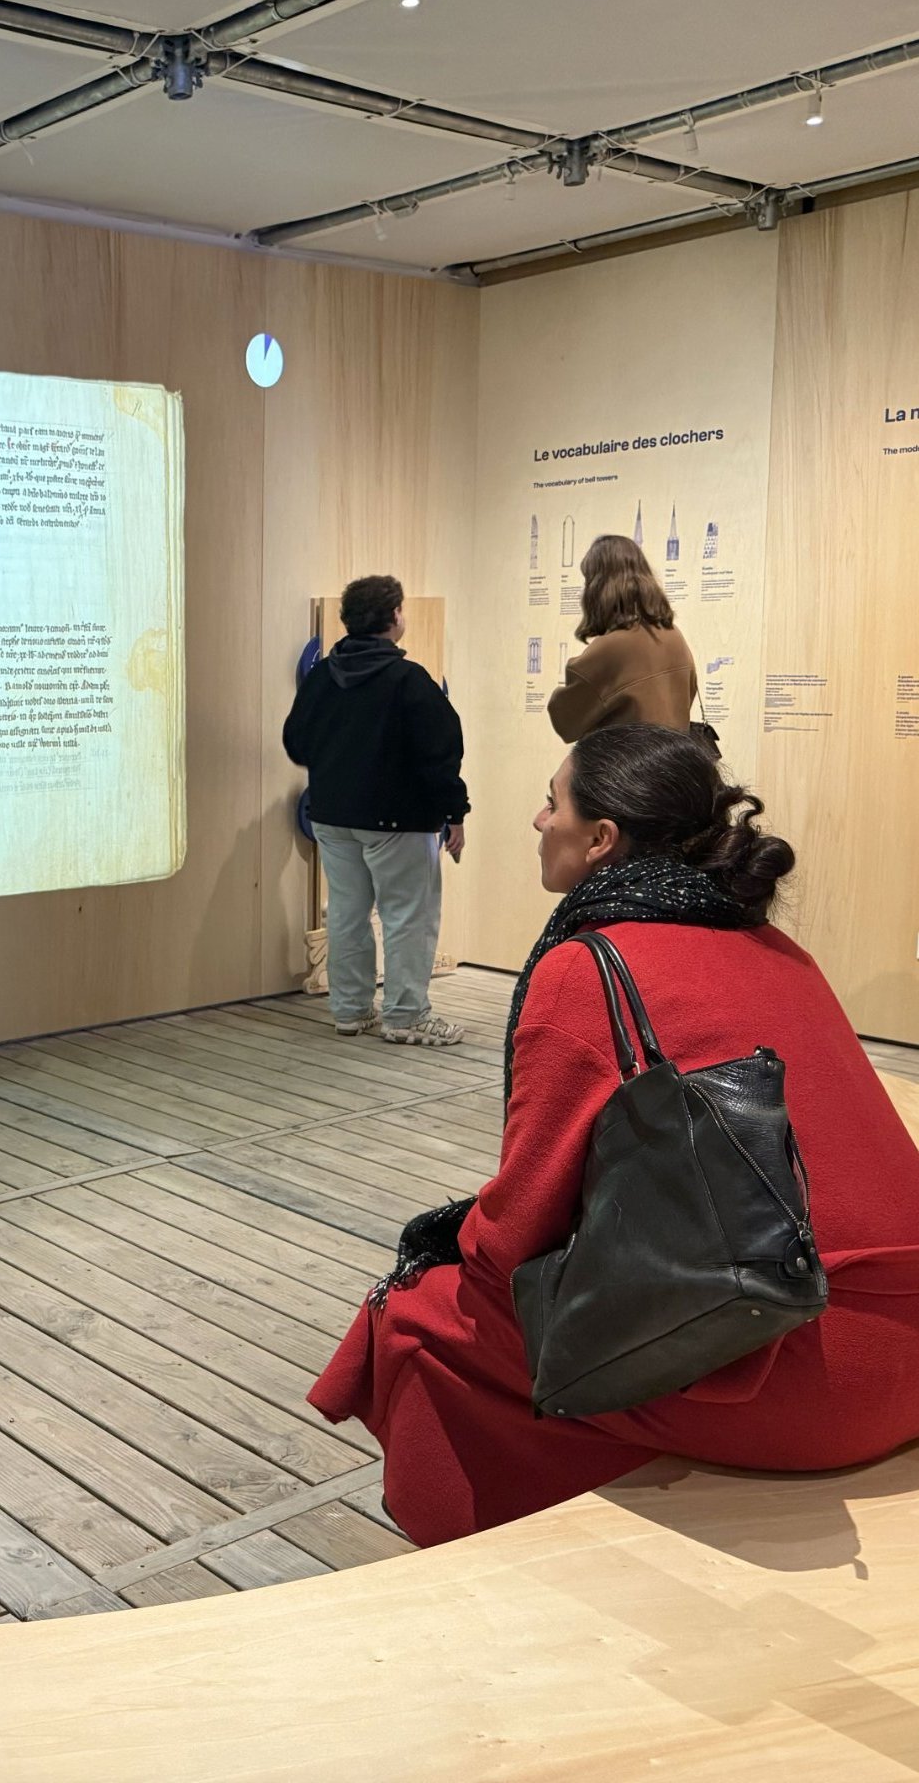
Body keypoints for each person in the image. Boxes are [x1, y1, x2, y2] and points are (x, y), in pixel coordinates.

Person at [308, 725, 919, 1546]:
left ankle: (491, 1566)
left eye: (550, 801)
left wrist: (440, 1257)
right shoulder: (780, 950)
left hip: (799, 1369)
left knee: (425, 1315)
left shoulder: (587, 966)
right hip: (903, 1339)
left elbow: (512, 1239)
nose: (534, 820)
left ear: (601, 839)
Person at [282, 575, 469, 1048]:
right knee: (407, 914)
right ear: (394, 617)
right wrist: (456, 812)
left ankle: (349, 1011)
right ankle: (406, 1016)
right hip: (398, 820)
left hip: (331, 816)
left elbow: (295, 742)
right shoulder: (409, 680)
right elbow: (441, 753)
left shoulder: (323, 676)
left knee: (347, 911)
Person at [549, 534, 698, 742]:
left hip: (625, 770)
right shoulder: (674, 635)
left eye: (588, 580)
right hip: (673, 768)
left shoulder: (612, 647)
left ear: (598, 586)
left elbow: (565, 721)